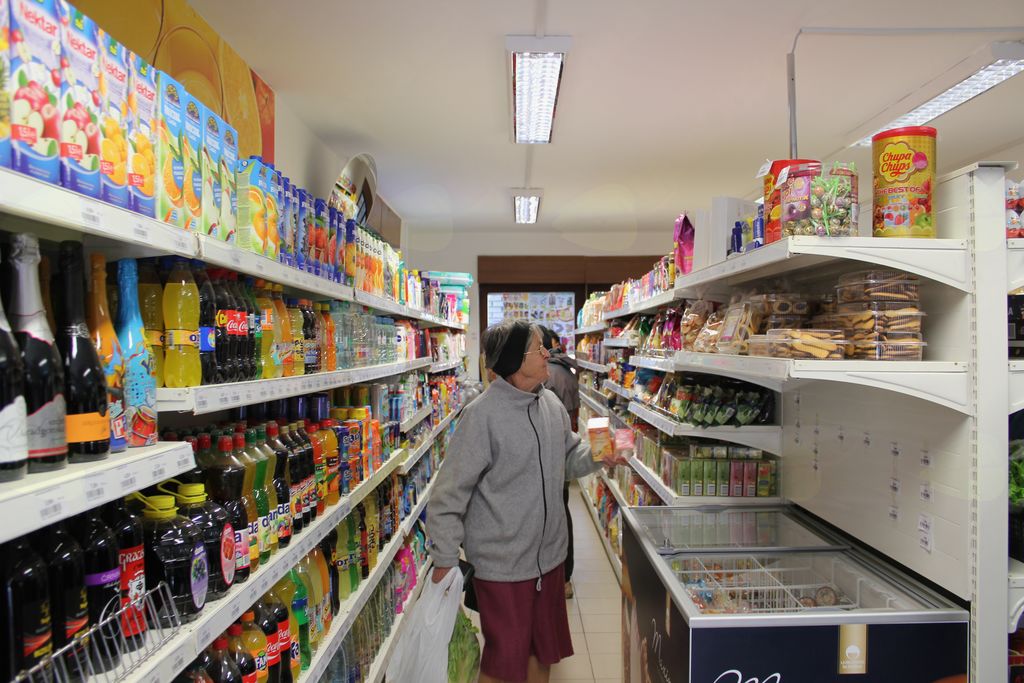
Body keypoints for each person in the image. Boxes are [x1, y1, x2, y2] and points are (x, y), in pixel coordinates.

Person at [427, 320, 624, 683]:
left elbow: (568, 458)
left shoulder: (549, 404)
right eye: (539, 348)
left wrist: (600, 454)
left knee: (542, 652)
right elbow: (448, 494)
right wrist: (444, 558)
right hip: (502, 566)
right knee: (503, 664)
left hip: (549, 561)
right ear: (515, 361)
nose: (548, 353)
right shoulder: (481, 417)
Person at [539, 327, 580, 599]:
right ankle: (565, 576)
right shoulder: (567, 370)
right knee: (563, 510)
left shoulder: (547, 376)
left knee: (556, 513)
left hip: (553, 455)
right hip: (564, 448)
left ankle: (559, 575)